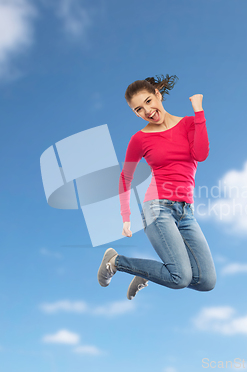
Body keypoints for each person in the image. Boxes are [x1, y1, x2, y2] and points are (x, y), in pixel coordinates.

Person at [97, 74, 217, 300]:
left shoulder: (190, 124)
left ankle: (149, 273)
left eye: (148, 102)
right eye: (138, 110)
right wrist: (125, 216)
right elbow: (126, 177)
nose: (147, 111)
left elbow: (201, 155)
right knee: (180, 277)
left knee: (206, 281)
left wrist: (199, 112)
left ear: (158, 96)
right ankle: (115, 262)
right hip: (157, 209)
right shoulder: (139, 139)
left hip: (186, 212)